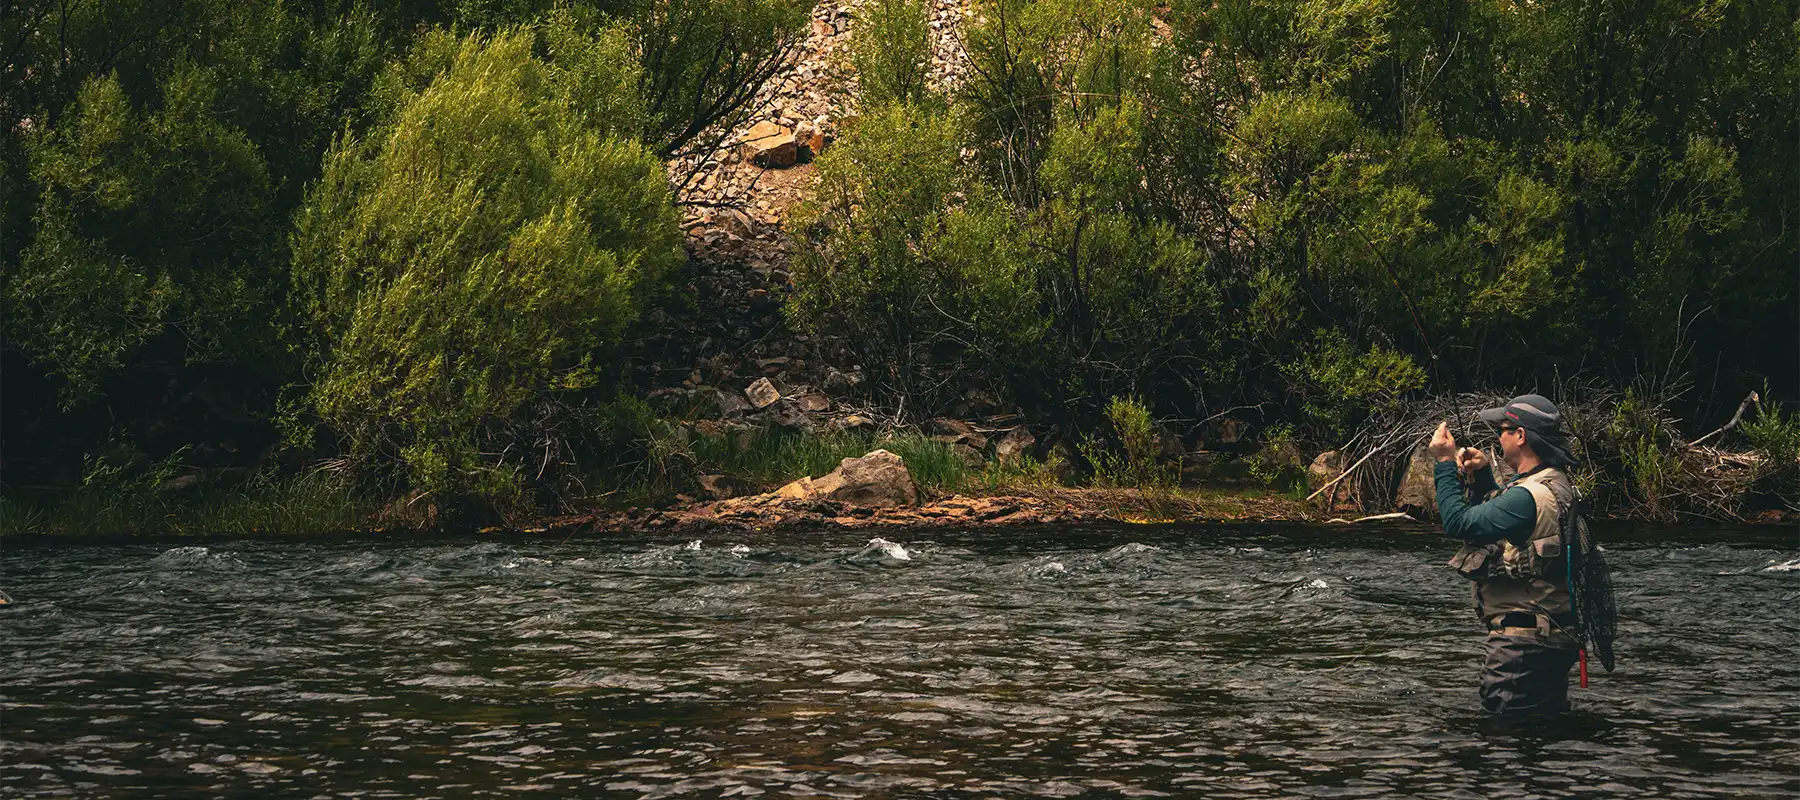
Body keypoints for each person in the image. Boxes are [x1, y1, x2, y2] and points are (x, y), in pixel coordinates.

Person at [1427, 393, 1582, 716]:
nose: (1498, 437)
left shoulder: (1527, 496)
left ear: (1521, 436)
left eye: (1502, 429)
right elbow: (1511, 520)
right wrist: (1483, 477)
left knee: (1507, 744)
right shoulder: (1554, 483)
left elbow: (1460, 524)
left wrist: (1444, 463)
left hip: (1523, 649)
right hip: (1550, 638)